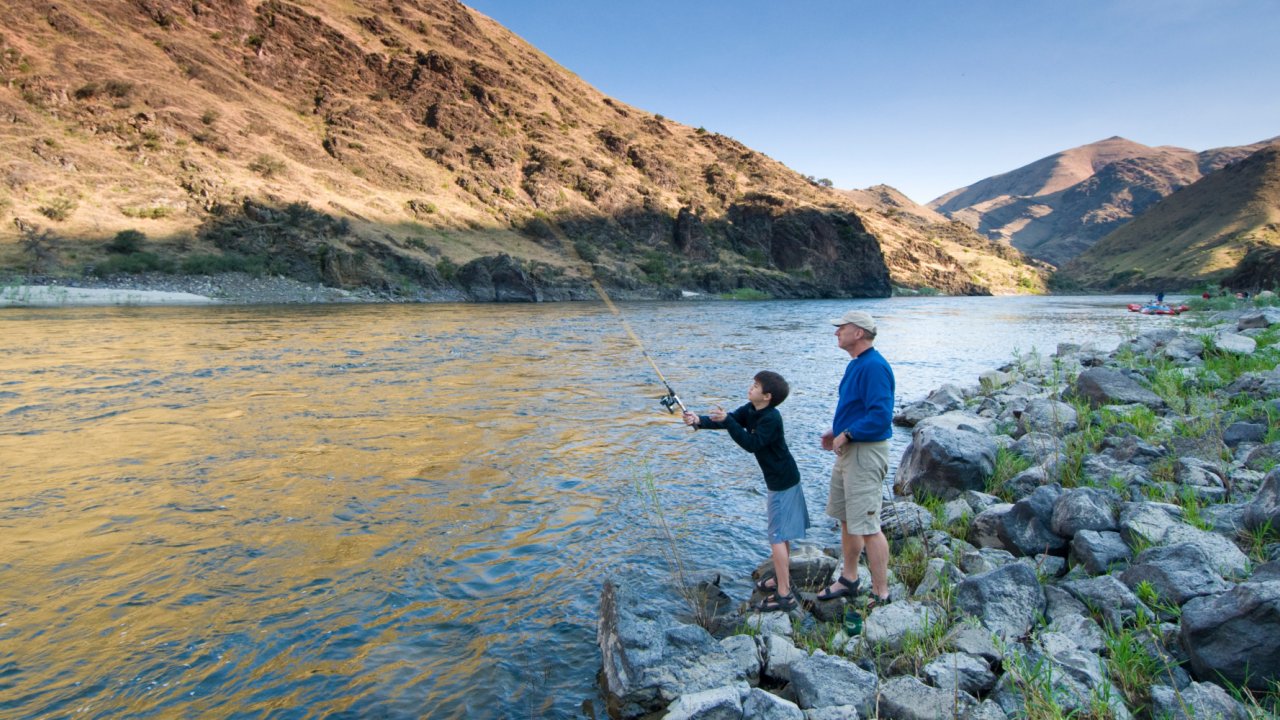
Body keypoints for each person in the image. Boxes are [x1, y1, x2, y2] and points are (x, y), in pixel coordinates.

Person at [683, 371, 810, 612]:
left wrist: (728, 422)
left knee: (777, 537)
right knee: (781, 534)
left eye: (756, 386)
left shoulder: (772, 418)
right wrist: (698, 421)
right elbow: (729, 419)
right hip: (779, 480)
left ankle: (784, 594)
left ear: (767, 396)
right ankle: (781, 579)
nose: (751, 388)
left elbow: (751, 444)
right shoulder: (751, 409)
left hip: (783, 481)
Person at [817, 310, 895, 610]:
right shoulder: (857, 364)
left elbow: (881, 416)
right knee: (848, 518)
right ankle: (849, 578)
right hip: (851, 451)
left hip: (865, 453)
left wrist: (848, 434)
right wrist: (836, 431)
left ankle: (881, 593)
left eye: (842, 328)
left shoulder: (874, 367)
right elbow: (858, 409)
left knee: (869, 525)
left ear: (859, 332)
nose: (836, 332)